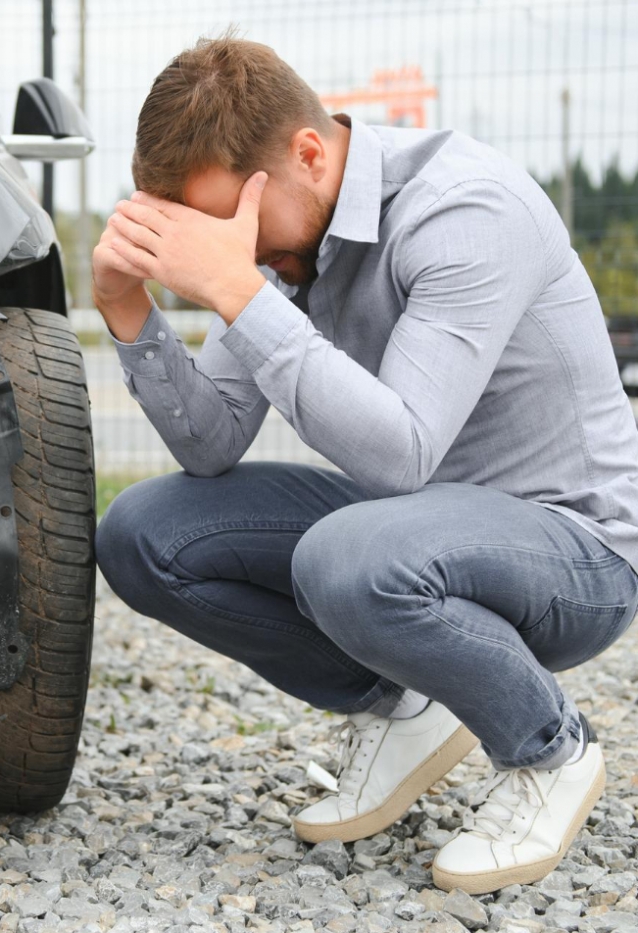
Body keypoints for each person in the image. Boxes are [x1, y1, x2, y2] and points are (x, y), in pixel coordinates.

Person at [92, 34, 638, 894]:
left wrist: (235, 288)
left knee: (346, 555)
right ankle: (404, 704)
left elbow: (401, 454)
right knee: (142, 533)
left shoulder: (467, 211)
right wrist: (130, 313)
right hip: (417, 529)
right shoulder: (281, 239)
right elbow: (211, 442)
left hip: (574, 551)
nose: (234, 250)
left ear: (308, 154)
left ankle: (549, 751)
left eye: (237, 223)